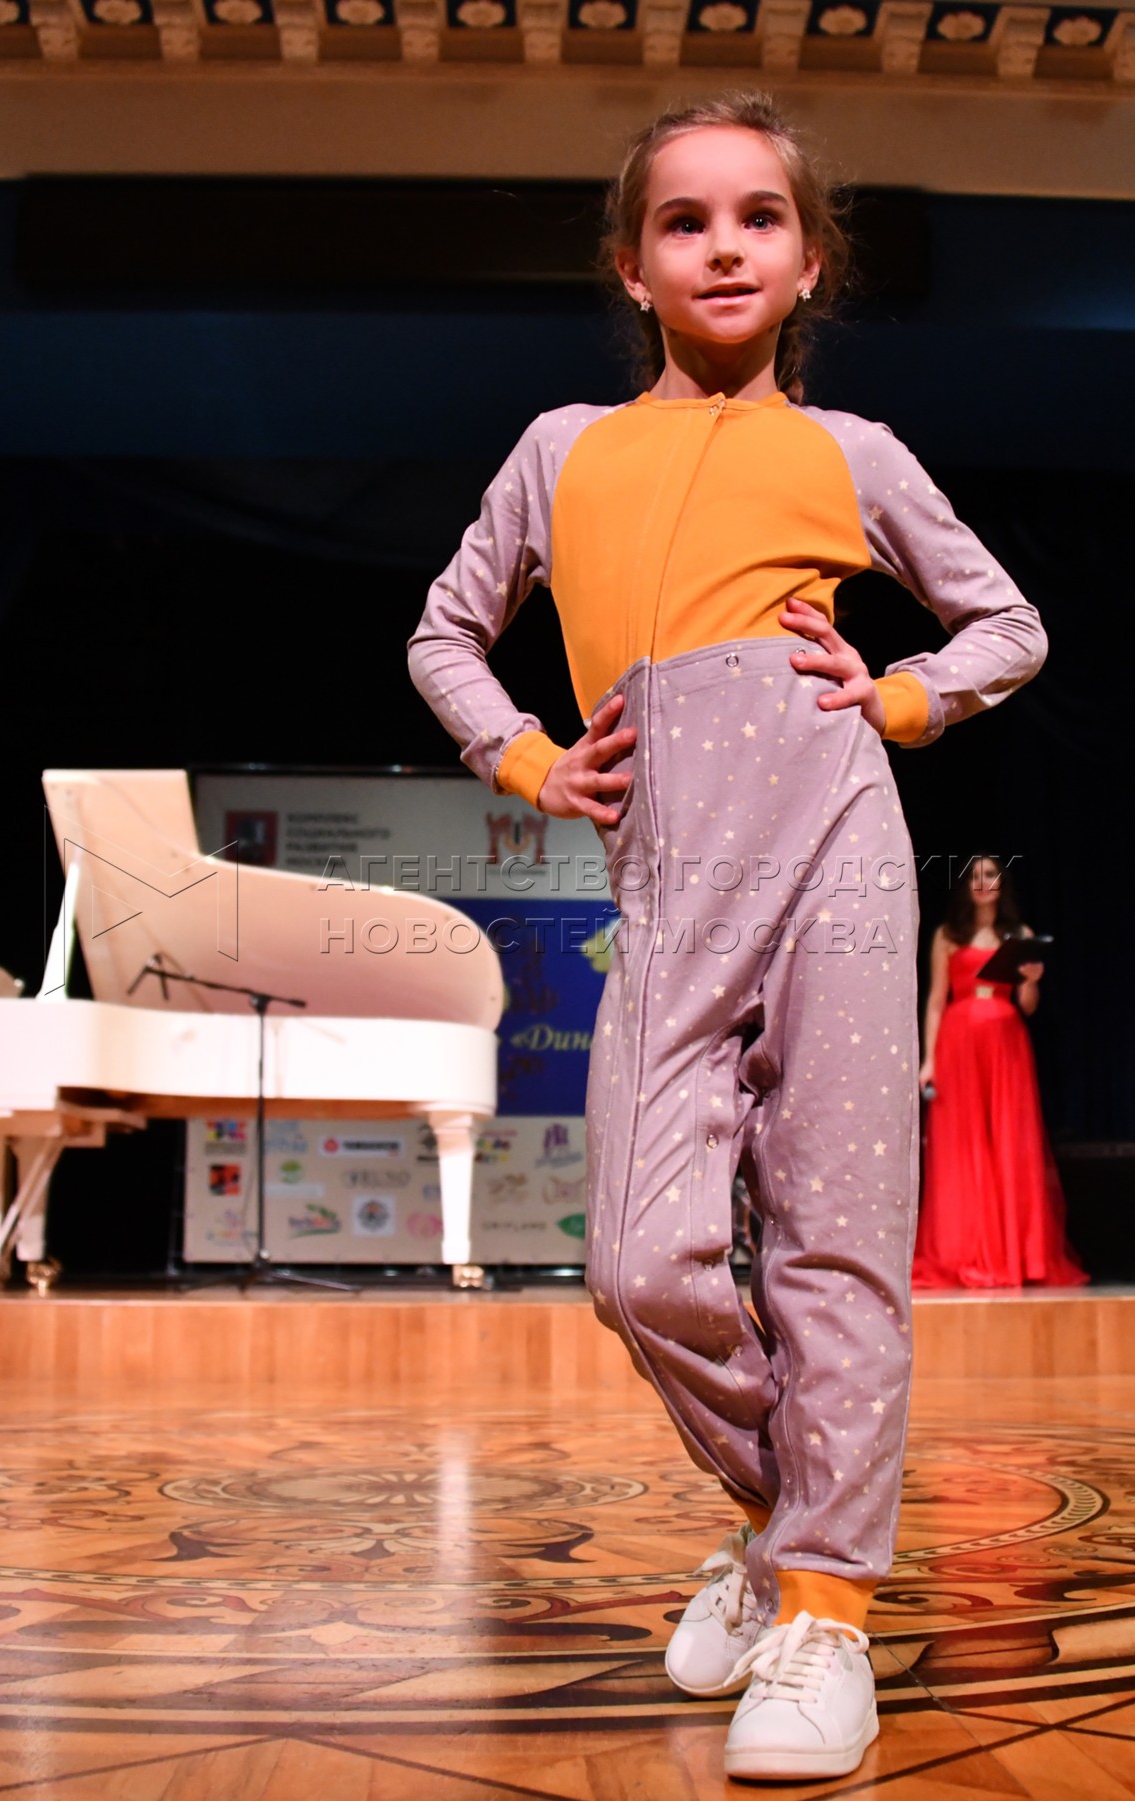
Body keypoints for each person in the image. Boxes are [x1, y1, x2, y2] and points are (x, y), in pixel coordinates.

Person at [408, 91, 1047, 1781]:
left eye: (760, 215)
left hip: (840, 852)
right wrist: (532, 758)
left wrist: (899, 696)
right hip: (672, 884)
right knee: (639, 1262)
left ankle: (826, 1612)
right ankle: (784, 1525)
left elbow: (1008, 623)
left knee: (837, 1246)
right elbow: (446, 635)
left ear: (809, 259)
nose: (723, 245)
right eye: (683, 220)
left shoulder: (855, 454)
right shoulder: (561, 450)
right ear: (632, 266)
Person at [913, 856, 1087, 1289]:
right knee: (962, 1146)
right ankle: (962, 1251)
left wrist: (1031, 981)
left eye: (990, 874)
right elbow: (935, 1001)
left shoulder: (1018, 935)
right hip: (958, 1044)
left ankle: (1015, 1253)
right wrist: (928, 1060)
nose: (982, 882)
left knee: (1009, 1143)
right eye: (975, 876)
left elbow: (1027, 1006)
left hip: (1006, 1044)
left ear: (1001, 884)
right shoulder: (948, 936)